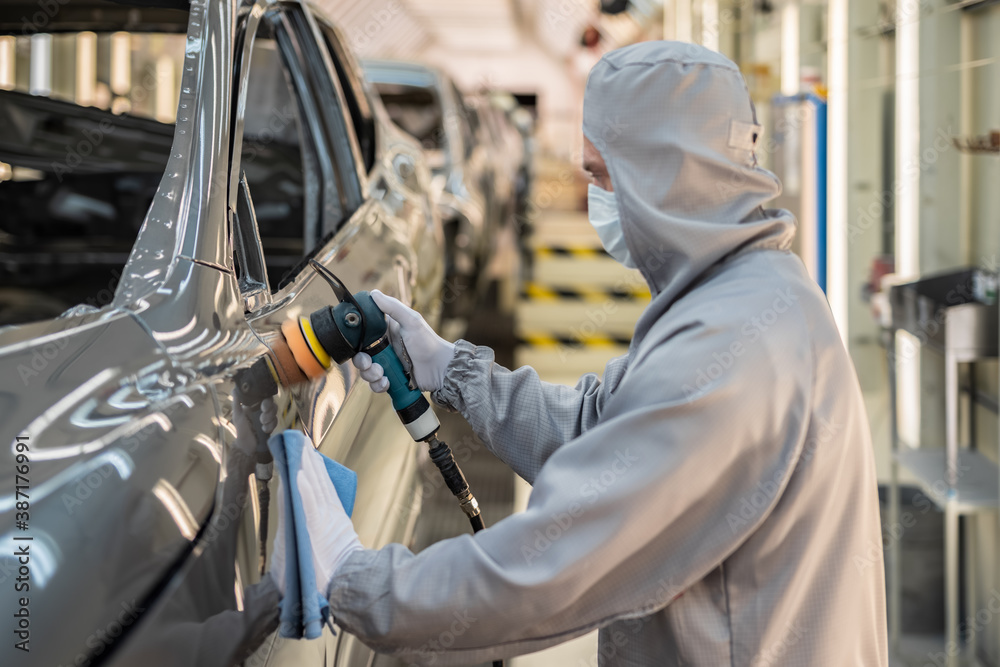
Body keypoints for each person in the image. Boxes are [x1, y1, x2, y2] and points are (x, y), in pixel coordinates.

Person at [270, 41, 888, 666]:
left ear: (660, 173)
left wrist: (352, 580)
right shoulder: (738, 293)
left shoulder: (733, 344)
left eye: (598, 172)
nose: (588, 190)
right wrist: (452, 370)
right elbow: (607, 437)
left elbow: (558, 567)